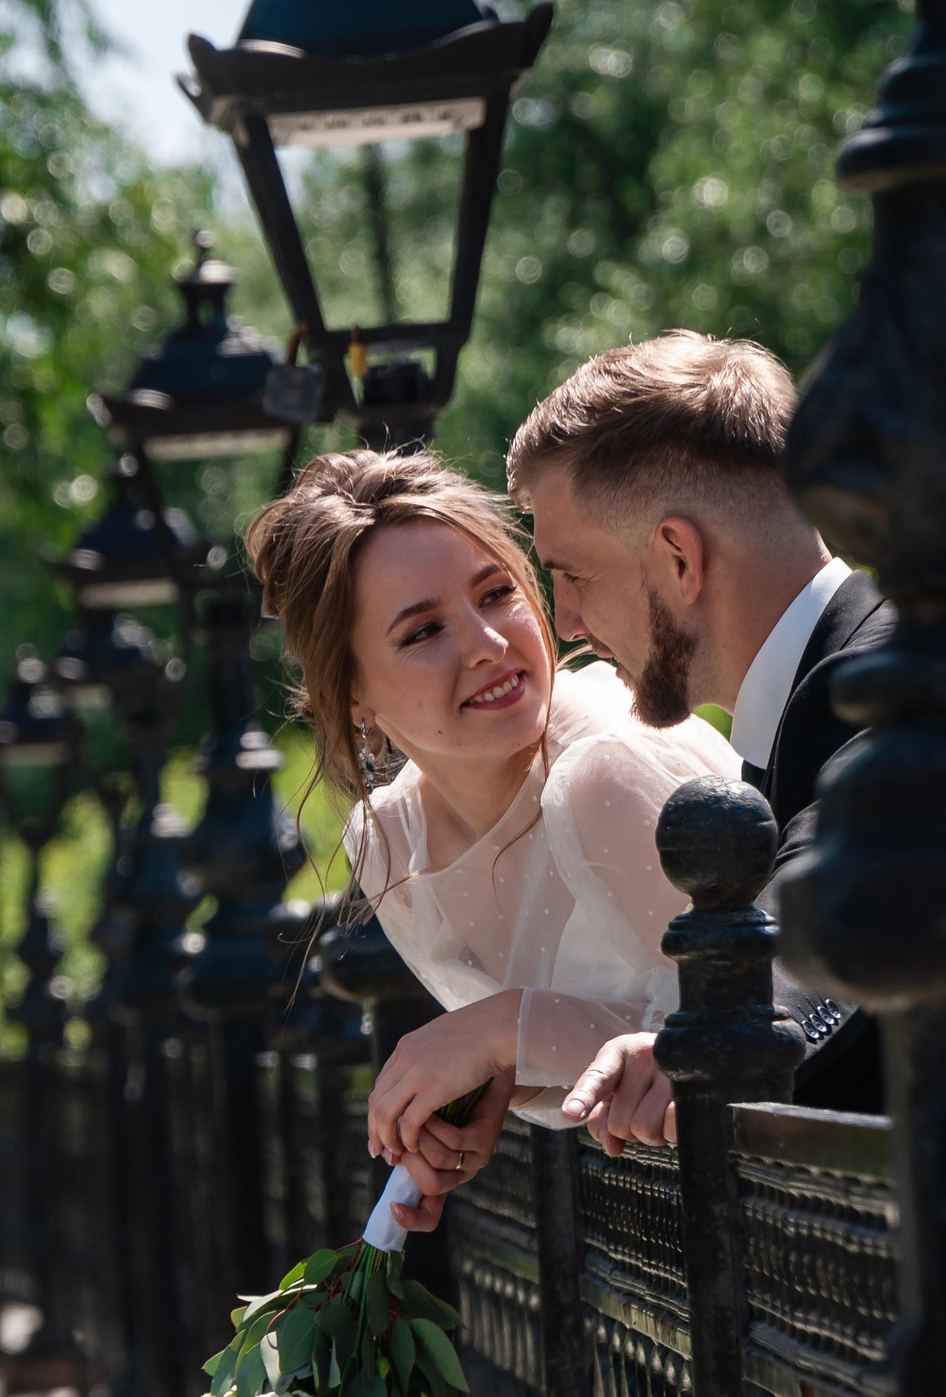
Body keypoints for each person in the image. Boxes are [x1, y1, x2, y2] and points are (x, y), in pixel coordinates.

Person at [248, 447, 741, 1232]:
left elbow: (749, 1038)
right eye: (423, 632)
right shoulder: (389, 844)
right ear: (353, 695)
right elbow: (609, 1034)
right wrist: (492, 1087)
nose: (487, 641)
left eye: (497, 592)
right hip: (652, 1250)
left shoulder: (604, 771)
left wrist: (495, 1029)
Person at [506, 331, 896, 1135]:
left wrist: (717, 1041)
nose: (565, 624)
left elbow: (840, 896)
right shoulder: (813, 706)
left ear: (680, 558)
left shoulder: (892, 694)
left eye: (573, 575)